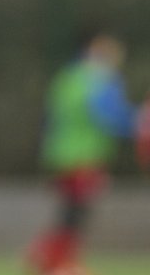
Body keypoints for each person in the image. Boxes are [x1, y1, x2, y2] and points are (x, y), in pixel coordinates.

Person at [26, 33, 148, 274]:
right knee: (77, 212)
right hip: (84, 156)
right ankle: (57, 261)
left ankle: (50, 258)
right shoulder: (99, 79)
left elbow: (52, 116)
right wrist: (139, 123)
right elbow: (108, 115)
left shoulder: (68, 78)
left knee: (71, 210)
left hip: (61, 154)